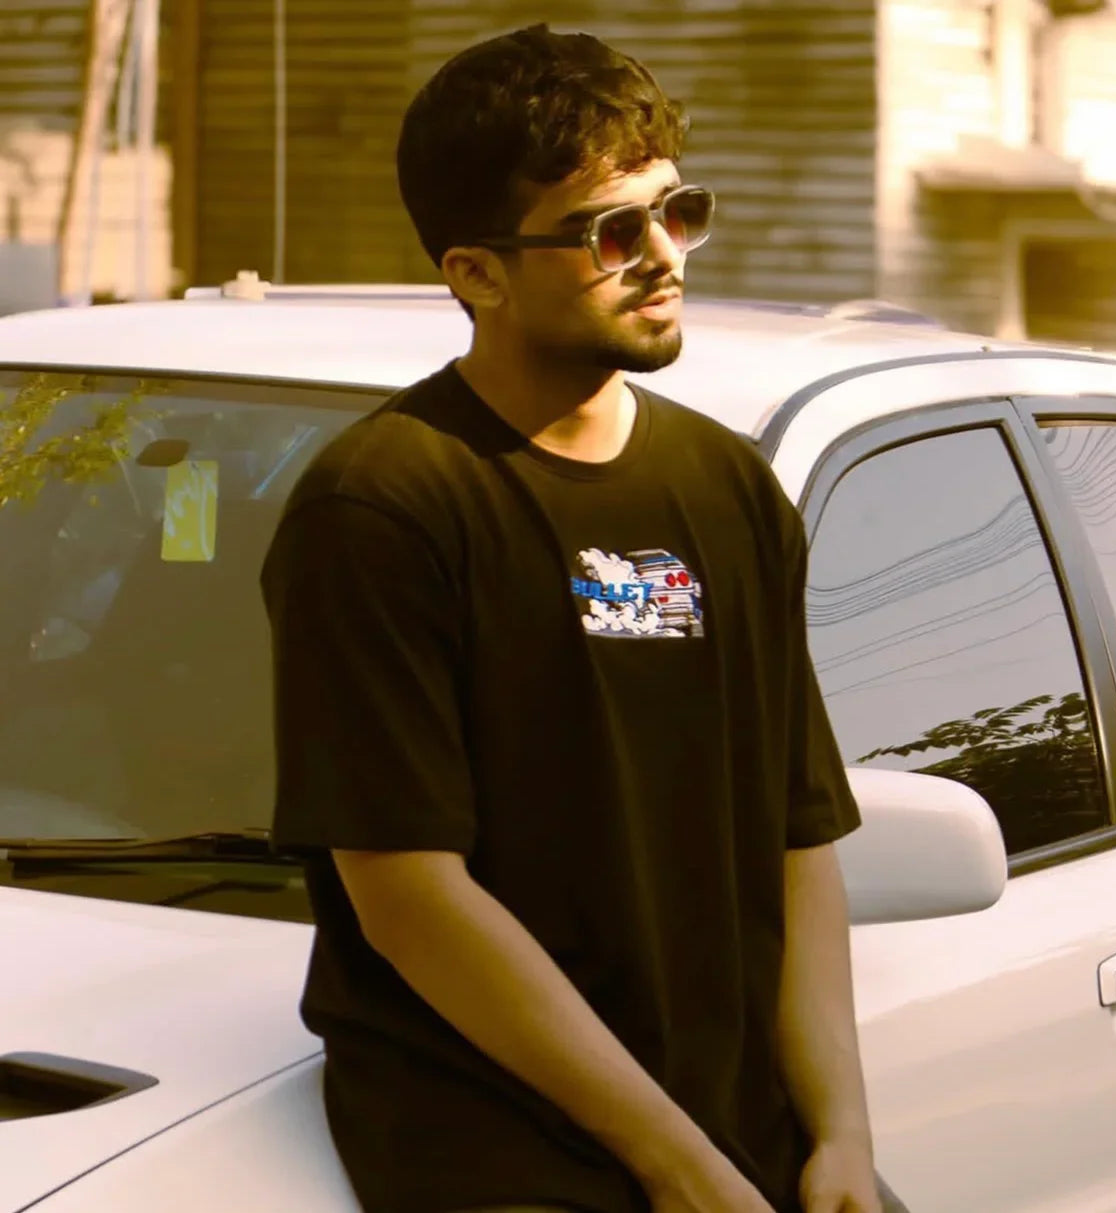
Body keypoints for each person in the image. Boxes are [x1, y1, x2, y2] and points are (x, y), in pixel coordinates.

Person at [262, 23, 904, 1213]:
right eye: (614, 231)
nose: (664, 256)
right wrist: (676, 1166)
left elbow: (794, 837)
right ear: (475, 272)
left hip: (738, 1143)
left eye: (678, 211)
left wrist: (845, 1137)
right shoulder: (384, 506)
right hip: (507, 1151)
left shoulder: (730, 490)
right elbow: (408, 896)